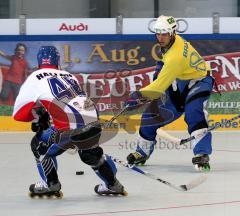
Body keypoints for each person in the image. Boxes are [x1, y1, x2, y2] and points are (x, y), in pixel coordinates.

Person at [13, 46, 126, 198]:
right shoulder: (69, 76)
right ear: (57, 61)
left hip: (68, 130)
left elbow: (19, 115)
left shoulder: (35, 76)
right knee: (90, 155)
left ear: (39, 62)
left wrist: (38, 117)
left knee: (38, 144)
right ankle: (113, 184)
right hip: (93, 123)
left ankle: (50, 184)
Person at [125, 15, 214, 172]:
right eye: (158, 33)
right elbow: (165, 62)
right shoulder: (173, 41)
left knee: (194, 112)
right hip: (180, 82)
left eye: (164, 34)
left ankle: (201, 153)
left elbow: (158, 87)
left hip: (200, 81)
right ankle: (142, 152)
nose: (160, 37)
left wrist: (137, 97)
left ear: (173, 32)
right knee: (150, 117)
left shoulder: (175, 57)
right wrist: (160, 68)